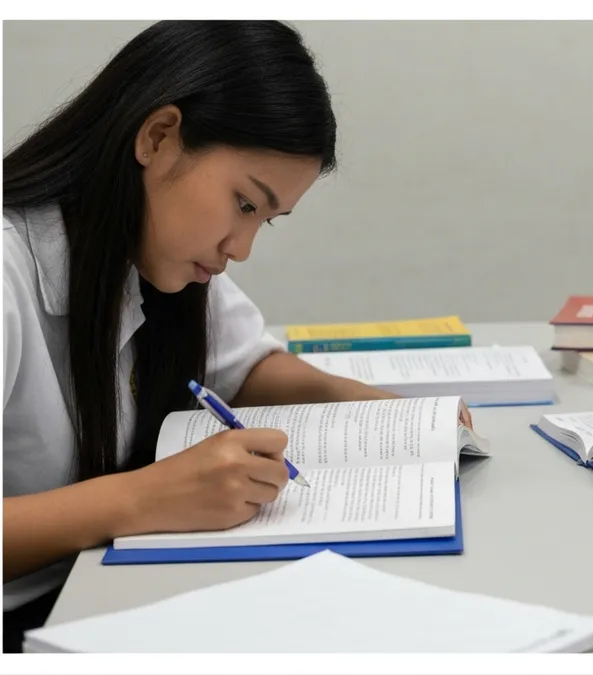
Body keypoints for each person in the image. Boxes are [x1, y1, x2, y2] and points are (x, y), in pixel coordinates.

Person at [2, 21, 401, 651]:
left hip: (99, 588)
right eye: (245, 204)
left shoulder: (153, 255)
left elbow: (244, 368)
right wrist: (141, 499)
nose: (240, 248)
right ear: (159, 137)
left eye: (266, 222)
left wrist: (372, 411)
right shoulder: (7, 271)